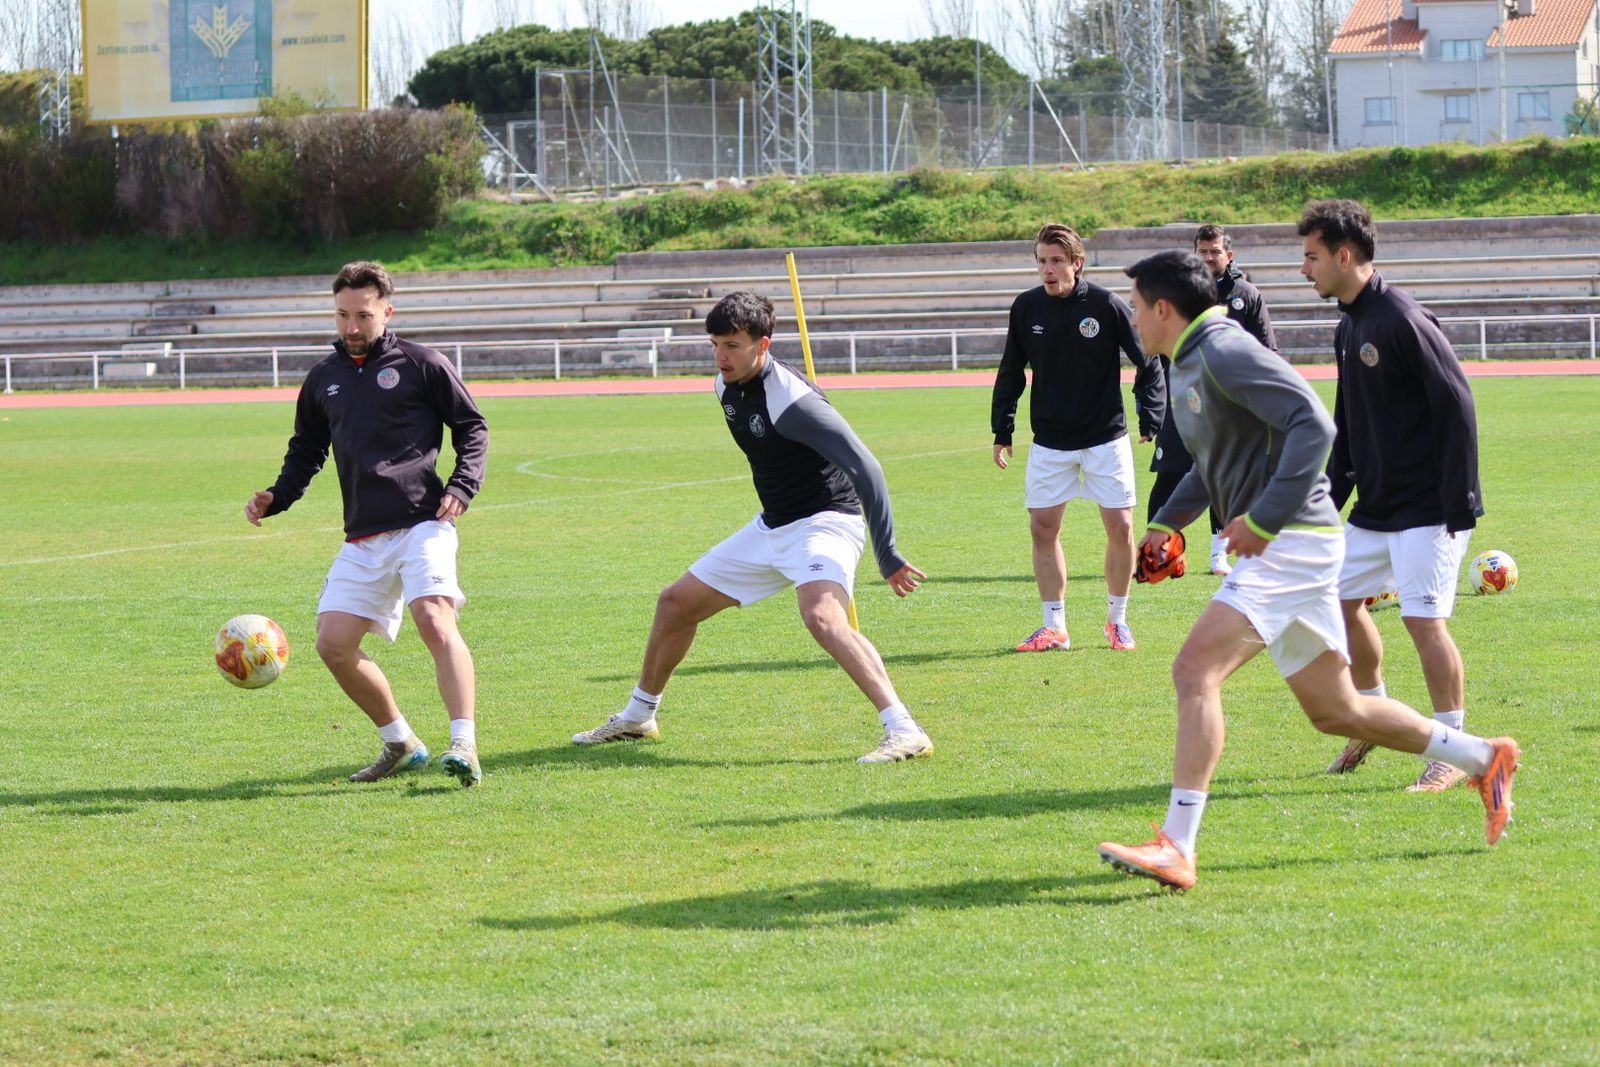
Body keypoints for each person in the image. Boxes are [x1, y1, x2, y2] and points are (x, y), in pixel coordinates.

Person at [1095, 250, 1518, 891]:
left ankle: (1177, 845)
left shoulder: (1223, 349)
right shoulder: (1187, 362)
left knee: (1193, 671)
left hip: (1290, 540)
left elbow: (1313, 423)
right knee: (1337, 709)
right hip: (1294, 543)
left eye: (1134, 305)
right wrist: (1165, 523)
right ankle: (1484, 758)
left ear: (1162, 308)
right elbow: (1213, 464)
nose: (1131, 317)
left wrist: (1263, 519)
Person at [571, 291, 933, 763]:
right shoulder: (725, 386)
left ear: (763, 344)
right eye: (715, 344)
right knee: (675, 603)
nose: (721, 356)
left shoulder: (794, 401)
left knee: (822, 618)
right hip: (773, 526)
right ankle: (639, 717)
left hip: (825, 523)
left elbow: (867, 467)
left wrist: (887, 552)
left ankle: (904, 729)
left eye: (733, 345)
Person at [245, 261, 489, 787]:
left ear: (386, 311)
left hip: (425, 521)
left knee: (433, 618)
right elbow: (307, 449)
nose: (352, 327)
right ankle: (400, 741)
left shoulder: (422, 363)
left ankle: (464, 744)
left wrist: (462, 485)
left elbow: (471, 426)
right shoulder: (323, 378)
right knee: (332, 644)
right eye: (342, 315)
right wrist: (278, 496)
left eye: (363, 315)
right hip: (363, 533)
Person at [1299, 199, 1486, 793]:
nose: (1305, 269)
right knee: (1339, 600)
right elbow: (1348, 420)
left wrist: (1460, 498)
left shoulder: (1402, 317)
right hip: (1377, 507)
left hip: (1430, 506)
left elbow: (1457, 405)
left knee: (1423, 621)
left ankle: (1451, 749)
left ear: (1344, 255)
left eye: (1311, 256)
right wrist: (1331, 494)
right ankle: (1375, 716)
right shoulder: (1349, 323)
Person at [992, 223, 1165, 653]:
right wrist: (1003, 428)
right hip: (1051, 441)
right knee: (1042, 528)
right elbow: (1011, 369)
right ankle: (1054, 626)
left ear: (1076, 263)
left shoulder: (1105, 305)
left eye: (1056, 261)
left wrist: (1151, 413)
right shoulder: (1026, 308)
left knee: (1121, 526)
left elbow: (1148, 360)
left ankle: (1117, 621)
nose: (1047, 270)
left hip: (1105, 437)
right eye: (1041, 261)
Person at [1149, 224, 1281, 577]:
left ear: (1229, 255)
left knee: (1223, 475)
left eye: (1215, 251)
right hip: (1183, 400)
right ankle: (1155, 550)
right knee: (1170, 474)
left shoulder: (1246, 295)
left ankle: (1217, 553)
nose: (1208, 257)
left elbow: (1267, 350)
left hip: (1230, 407)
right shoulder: (1176, 295)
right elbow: (1157, 347)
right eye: (1203, 251)